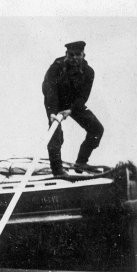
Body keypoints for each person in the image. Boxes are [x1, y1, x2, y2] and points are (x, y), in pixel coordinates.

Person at [42, 41, 104, 176]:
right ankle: (57, 169)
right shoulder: (56, 67)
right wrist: (52, 112)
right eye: (71, 55)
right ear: (66, 55)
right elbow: (50, 90)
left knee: (96, 129)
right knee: (55, 134)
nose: (74, 58)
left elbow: (83, 96)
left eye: (78, 54)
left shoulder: (89, 72)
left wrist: (71, 110)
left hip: (73, 103)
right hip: (55, 101)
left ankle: (81, 162)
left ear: (83, 55)